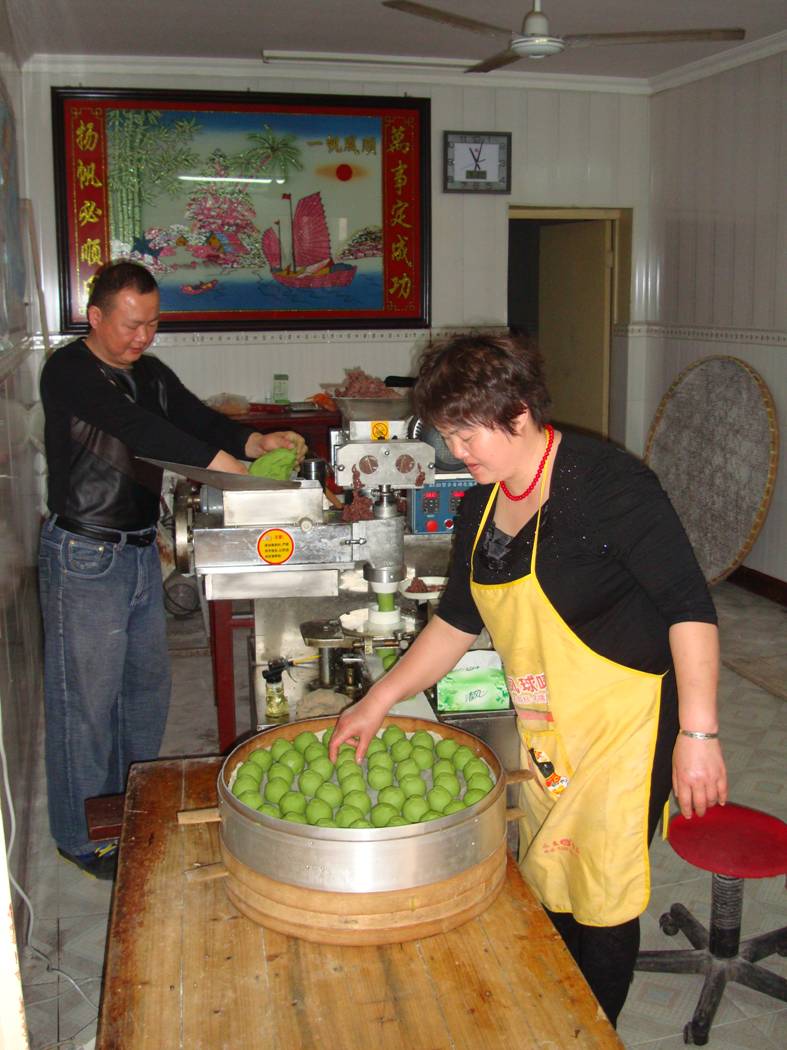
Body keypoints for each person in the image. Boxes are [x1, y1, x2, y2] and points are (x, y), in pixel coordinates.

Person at [330, 331, 727, 1026]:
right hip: (547, 724)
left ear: (516, 412)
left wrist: (697, 732)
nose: (457, 451)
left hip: (625, 724)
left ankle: (588, 1030)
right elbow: (455, 622)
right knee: (551, 869)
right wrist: (378, 701)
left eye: (465, 432)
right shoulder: (478, 505)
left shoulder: (607, 486)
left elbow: (688, 608)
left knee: (601, 890)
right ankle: (554, 1008)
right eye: (447, 434)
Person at [39, 260, 306, 879]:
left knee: (144, 692)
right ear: (96, 316)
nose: (142, 338)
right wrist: (220, 463)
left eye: (153, 323)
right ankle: (81, 836)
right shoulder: (70, 372)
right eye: (130, 325)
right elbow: (136, 431)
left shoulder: (150, 374)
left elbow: (193, 418)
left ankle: (131, 807)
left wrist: (253, 444)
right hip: (85, 553)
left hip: (135, 550)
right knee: (85, 702)